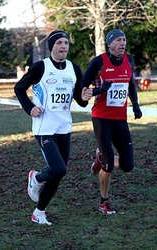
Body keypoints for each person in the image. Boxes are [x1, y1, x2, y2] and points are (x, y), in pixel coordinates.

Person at [14, 30, 92, 225]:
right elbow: (19, 88)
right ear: (52, 47)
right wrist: (30, 108)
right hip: (44, 128)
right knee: (59, 169)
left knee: (58, 173)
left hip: (64, 127)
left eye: (66, 43)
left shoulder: (73, 69)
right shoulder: (41, 67)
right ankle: (37, 177)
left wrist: (84, 98)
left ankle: (39, 213)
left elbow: (79, 99)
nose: (63, 46)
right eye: (59, 43)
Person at [82, 29, 142, 215]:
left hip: (120, 118)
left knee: (127, 165)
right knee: (109, 165)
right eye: (118, 40)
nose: (122, 43)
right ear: (109, 44)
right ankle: (104, 201)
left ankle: (101, 156)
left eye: (124, 39)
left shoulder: (129, 60)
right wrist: (100, 89)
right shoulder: (99, 62)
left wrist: (136, 104)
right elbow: (82, 88)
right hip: (101, 117)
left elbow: (130, 83)